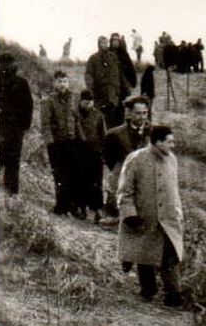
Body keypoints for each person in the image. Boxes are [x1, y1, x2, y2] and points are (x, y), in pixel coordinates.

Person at [117, 123, 184, 307]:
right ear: (157, 142)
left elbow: (174, 189)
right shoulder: (136, 159)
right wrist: (129, 214)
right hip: (145, 217)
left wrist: (178, 212)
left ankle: (174, 295)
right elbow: (125, 190)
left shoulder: (172, 160)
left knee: (170, 255)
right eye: (170, 142)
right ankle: (148, 290)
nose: (173, 146)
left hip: (169, 218)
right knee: (144, 254)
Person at [100, 97, 150, 219]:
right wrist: (120, 167)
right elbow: (107, 155)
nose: (142, 117)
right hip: (122, 172)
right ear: (129, 113)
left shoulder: (152, 133)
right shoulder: (116, 134)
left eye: (144, 113)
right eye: (138, 113)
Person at [39, 70, 81, 214]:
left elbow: (78, 120)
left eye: (64, 81)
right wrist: (50, 143)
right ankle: (61, 206)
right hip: (57, 144)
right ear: (54, 83)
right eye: (59, 81)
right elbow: (45, 124)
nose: (62, 84)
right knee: (59, 175)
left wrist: (81, 139)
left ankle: (73, 206)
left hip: (73, 142)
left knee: (74, 174)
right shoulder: (48, 101)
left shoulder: (75, 98)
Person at [0, 53, 33, 196]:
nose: (6, 66)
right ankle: (9, 194)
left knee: (9, 159)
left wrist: (25, 125)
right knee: (8, 159)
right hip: (6, 128)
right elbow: (29, 106)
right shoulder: (18, 81)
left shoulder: (20, 82)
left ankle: (9, 193)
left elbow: (28, 105)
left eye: (8, 63)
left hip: (13, 128)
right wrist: (25, 125)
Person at [75, 90, 107, 221]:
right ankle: (82, 209)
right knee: (81, 180)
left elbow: (104, 135)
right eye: (85, 101)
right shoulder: (74, 114)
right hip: (79, 152)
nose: (88, 104)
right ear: (81, 101)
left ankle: (97, 210)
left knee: (96, 182)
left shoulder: (99, 115)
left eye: (90, 101)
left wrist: (103, 151)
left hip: (95, 152)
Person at [86, 35, 131, 128]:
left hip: (114, 93)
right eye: (103, 43)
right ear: (99, 44)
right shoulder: (93, 59)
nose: (106, 45)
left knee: (116, 119)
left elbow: (120, 74)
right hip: (100, 94)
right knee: (102, 119)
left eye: (107, 43)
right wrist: (90, 88)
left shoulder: (113, 57)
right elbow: (88, 75)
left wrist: (126, 88)